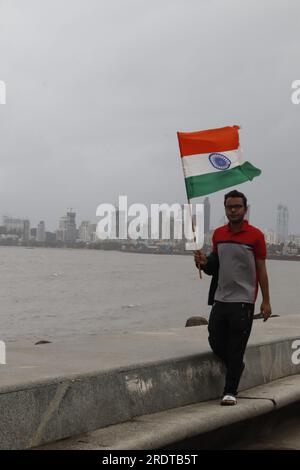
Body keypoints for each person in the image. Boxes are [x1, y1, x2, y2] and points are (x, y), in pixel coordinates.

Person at [194, 190, 271, 406]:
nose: (233, 210)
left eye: (237, 206)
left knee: (236, 345)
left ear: (245, 209)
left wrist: (265, 300)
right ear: (225, 209)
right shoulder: (218, 234)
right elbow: (214, 266)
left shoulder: (255, 235)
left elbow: (262, 270)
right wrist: (202, 261)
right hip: (221, 299)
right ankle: (236, 365)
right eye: (229, 207)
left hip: (244, 301)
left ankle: (230, 391)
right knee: (215, 339)